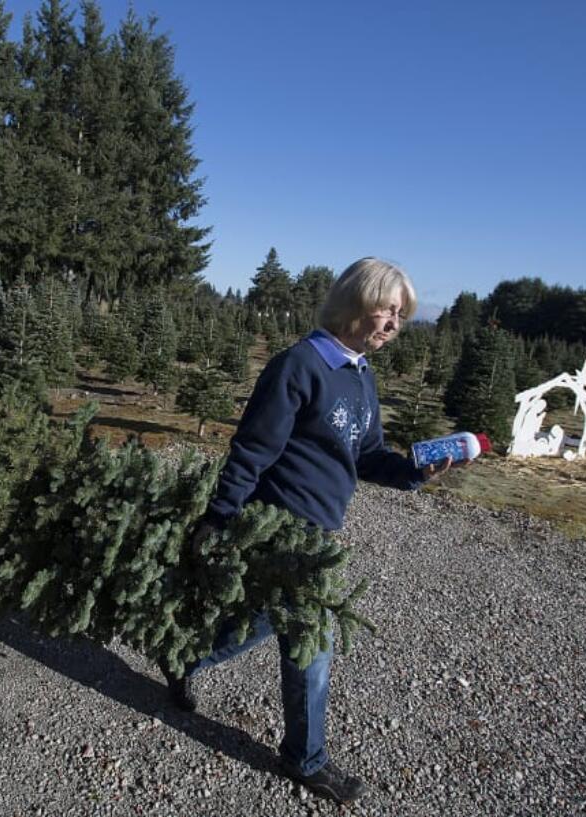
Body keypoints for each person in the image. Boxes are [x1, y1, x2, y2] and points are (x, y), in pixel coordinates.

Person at [165, 258, 456, 804]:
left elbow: (365, 456)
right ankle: (305, 760)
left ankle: (186, 658)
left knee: (260, 620)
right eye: (387, 309)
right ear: (354, 302)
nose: (395, 323)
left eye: (402, 314)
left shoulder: (360, 375)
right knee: (311, 643)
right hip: (280, 530)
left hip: (319, 536)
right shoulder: (298, 365)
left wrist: (415, 471)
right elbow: (251, 451)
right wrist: (218, 519)